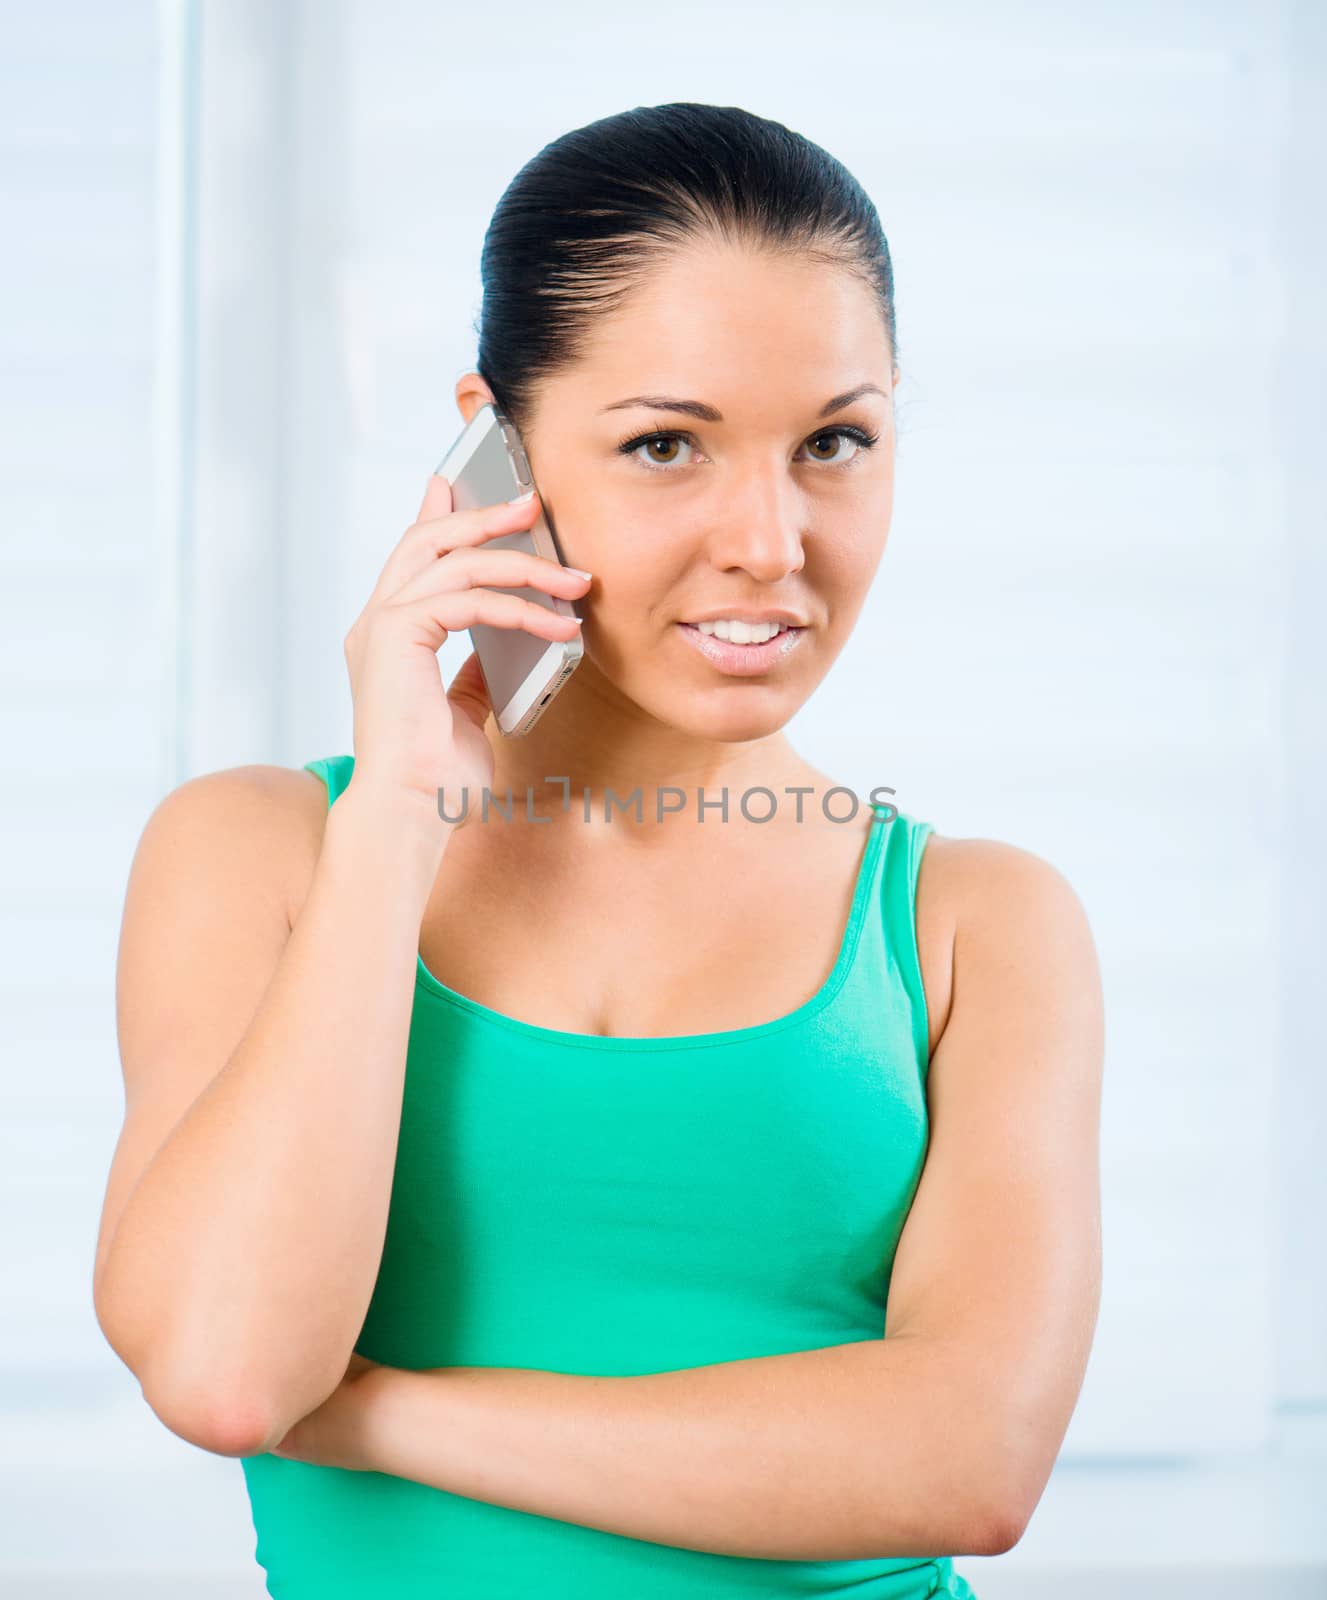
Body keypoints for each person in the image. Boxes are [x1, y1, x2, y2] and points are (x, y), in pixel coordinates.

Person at [93, 102, 1103, 1600]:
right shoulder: (264, 855)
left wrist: (378, 1415)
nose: (771, 540)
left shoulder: (978, 925)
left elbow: (968, 1462)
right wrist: (398, 814)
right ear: (494, 445)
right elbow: (232, 1372)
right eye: (664, 445)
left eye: (837, 441)